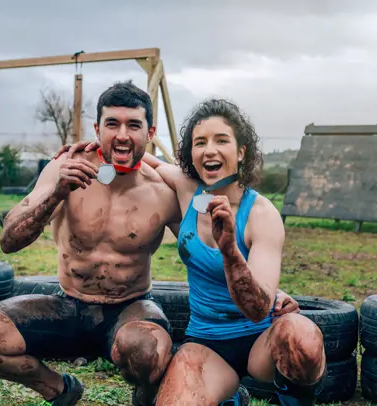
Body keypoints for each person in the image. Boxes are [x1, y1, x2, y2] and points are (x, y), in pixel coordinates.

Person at [56, 98, 327, 405]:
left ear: (241, 152)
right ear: (192, 155)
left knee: (302, 334)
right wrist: (97, 145)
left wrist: (230, 250)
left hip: (259, 344)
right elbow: (140, 158)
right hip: (208, 343)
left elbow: (257, 310)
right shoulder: (187, 189)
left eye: (221, 140)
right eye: (200, 142)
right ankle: (230, 398)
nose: (209, 150)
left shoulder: (261, 215)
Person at [0, 81, 185, 406]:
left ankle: (145, 396)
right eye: (112, 124)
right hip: (68, 305)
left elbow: (202, 251)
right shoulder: (64, 168)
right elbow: (9, 240)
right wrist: (56, 194)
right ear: (97, 129)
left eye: (133, 125)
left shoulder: (163, 189)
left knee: (147, 350)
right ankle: (60, 391)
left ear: (149, 133)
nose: (122, 134)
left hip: (130, 308)